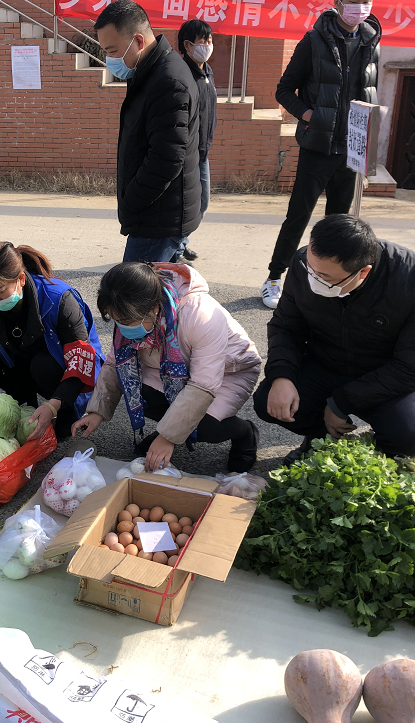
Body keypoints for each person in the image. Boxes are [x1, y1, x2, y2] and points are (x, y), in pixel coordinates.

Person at [253, 215, 415, 464]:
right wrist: (282, 376)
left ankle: (369, 457)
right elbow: (285, 327)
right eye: (310, 269)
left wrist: (339, 404)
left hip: (383, 375)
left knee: (410, 436)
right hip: (325, 363)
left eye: (325, 277)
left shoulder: (414, 279)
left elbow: (412, 367)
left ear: (363, 272)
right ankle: (321, 440)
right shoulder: (304, 263)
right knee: (268, 400)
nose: (313, 279)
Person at [72, 262, 261, 474]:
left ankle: (244, 432)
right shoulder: (135, 308)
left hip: (229, 371)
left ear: (154, 309)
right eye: (116, 320)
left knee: (205, 427)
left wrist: (167, 438)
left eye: (126, 320)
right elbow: (116, 363)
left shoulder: (201, 314)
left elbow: (203, 385)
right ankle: (173, 428)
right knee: (136, 391)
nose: (122, 327)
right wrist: (97, 411)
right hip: (169, 370)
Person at [260, 0, 381, 309]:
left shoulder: (371, 41)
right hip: (317, 146)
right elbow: (284, 89)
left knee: (340, 223)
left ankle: (333, 281)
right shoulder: (314, 41)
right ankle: (275, 277)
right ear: (338, 4)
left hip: (351, 148)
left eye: (365, 2)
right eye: (353, 2)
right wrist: (310, 116)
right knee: (298, 216)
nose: (359, 8)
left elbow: (369, 91)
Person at [0, 243, 104, 439]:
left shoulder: (59, 299)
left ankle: (68, 409)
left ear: (21, 279)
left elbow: (81, 362)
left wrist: (53, 405)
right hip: (23, 360)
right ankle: (22, 396)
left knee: (42, 366)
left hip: (66, 373)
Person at [94, 0, 201, 264]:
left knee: (133, 289)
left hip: (158, 220)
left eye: (112, 50)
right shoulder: (149, 71)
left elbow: (166, 159)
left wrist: (131, 202)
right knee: (161, 286)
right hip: (158, 213)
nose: (110, 59)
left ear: (138, 41)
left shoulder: (168, 80)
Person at [177, 18, 217, 262]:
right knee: (189, 204)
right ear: (188, 45)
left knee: (201, 202)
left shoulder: (206, 72)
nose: (208, 45)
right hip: (188, 152)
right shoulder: (183, 73)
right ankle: (176, 248)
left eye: (210, 40)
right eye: (203, 40)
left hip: (202, 150)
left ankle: (181, 242)